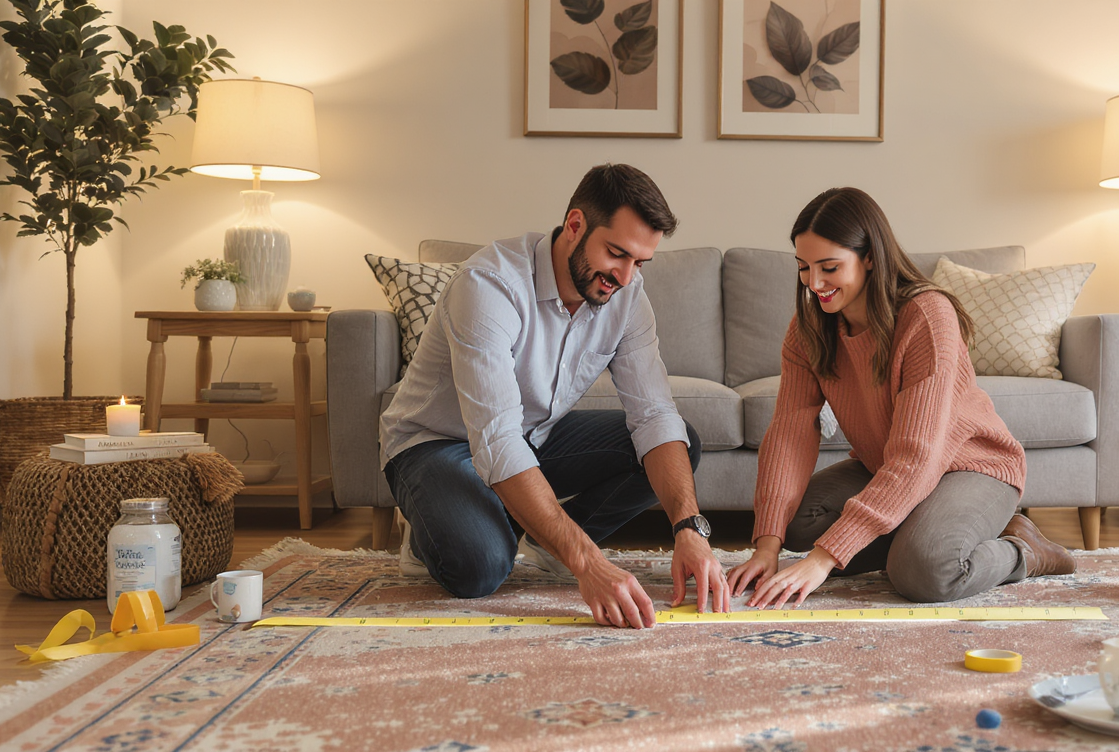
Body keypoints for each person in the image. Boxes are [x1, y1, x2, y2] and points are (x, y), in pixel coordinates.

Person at [381, 164, 729, 628]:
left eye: (639, 262)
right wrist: (588, 563)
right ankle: (428, 531)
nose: (625, 277)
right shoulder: (489, 285)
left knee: (678, 440)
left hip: (530, 437)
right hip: (435, 444)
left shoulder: (627, 295)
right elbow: (496, 438)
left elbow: (654, 415)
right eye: (616, 254)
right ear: (575, 225)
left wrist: (689, 529)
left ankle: (545, 542)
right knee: (481, 566)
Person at [726, 187, 1075, 608]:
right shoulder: (808, 330)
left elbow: (917, 456)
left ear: (869, 257)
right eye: (803, 267)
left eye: (829, 267)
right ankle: (914, 534)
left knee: (926, 574)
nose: (814, 284)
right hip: (889, 466)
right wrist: (767, 548)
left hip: (971, 466)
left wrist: (825, 559)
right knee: (798, 523)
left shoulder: (926, 317)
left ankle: (1026, 550)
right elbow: (789, 433)